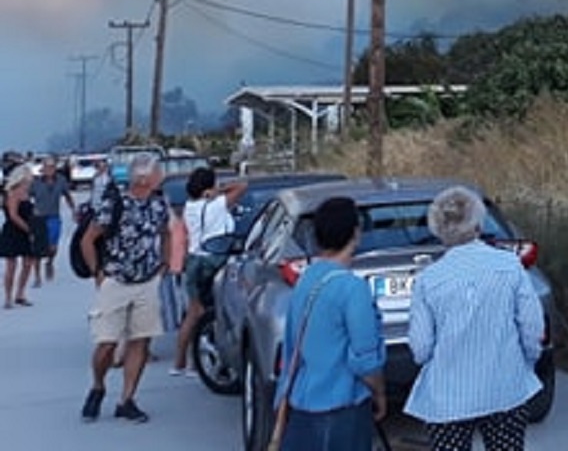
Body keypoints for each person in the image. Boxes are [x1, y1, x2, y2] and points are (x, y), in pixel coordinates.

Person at [405, 186, 545, 451]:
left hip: (448, 397)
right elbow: (532, 326)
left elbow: (421, 348)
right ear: (478, 222)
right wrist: (527, 360)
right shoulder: (509, 266)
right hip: (505, 386)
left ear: (438, 227)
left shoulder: (428, 280)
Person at [275, 196, 386, 451]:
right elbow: (364, 360)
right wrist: (379, 393)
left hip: (303, 404)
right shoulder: (352, 288)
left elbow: (292, 345)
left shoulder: (305, 280)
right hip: (342, 408)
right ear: (355, 234)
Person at [78, 150, 171, 422]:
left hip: (147, 280)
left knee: (140, 341)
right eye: (157, 173)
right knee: (106, 343)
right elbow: (88, 239)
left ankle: (127, 399)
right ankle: (98, 385)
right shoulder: (115, 203)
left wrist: (164, 264)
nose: (160, 177)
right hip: (116, 280)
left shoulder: (158, 203)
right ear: (144, 178)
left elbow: (166, 233)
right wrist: (98, 273)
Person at [171, 166, 250, 374]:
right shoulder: (216, 205)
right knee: (219, 312)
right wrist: (221, 190)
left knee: (194, 313)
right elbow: (243, 186)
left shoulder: (189, 207)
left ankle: (180, 362)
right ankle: (208, 359)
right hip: (214, 261)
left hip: (194, 260)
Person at [29, 157, 73, 286]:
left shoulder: (61, 180)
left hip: (54, 216)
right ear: (43, 169)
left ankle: (50, 261)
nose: (49, 170)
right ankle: (37, 276)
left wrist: (73, 209)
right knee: (37, 249)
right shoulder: (36, 182)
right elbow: (26, 196)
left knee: (53, 247)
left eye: (52, 167)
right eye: (47, 167)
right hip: (39, 217)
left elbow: (67, 195)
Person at [2, 161, 36, 306]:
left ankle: (20, 293)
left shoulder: (27, 193)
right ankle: (8, 297)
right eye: (28, 176)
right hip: (13, 231)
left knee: (28, 263)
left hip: (26, 231)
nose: (30, 179)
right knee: (12, 265)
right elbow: (13, 215)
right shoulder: (12, 192)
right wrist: (28, 229)